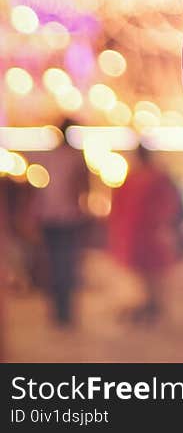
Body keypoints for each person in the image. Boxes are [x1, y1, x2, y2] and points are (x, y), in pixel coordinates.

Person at [107, 145, 182, 323]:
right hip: (149, 232)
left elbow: (117, 208)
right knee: (153, 274)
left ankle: (150, 305)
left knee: (146, 273)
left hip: (136, 233)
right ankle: (152, 305)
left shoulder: (132, 179)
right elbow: (170, 205)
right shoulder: (157, 177)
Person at [33, 118, 89, 327]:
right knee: (66, 265)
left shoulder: (50, 156)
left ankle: (59, 312)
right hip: (67, 218)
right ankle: (63, 312)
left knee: (56, 265)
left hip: (52, 218)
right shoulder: (75, 157)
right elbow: (83, 187)